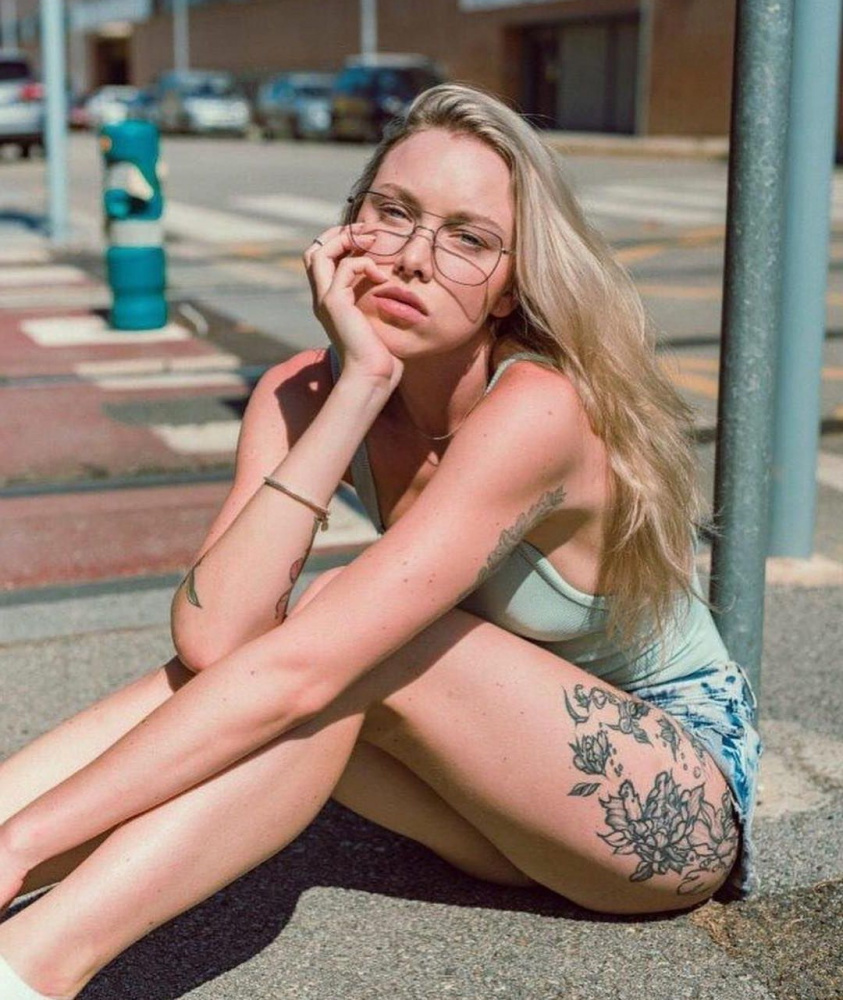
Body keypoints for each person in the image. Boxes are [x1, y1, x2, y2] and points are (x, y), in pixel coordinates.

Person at [0, 84, 761, 998]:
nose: (411, 259)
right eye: (392, 213)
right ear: (346, 227)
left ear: (514, 285)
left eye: (468, 238)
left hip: (662, 810)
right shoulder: (301, 392)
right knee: (278, 665)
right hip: (487, 813)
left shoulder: (540, 410)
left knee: (340, 632)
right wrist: (359, 384)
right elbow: (216, 637)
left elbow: (305, 664)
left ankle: (31, 967)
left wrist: (29, 840)